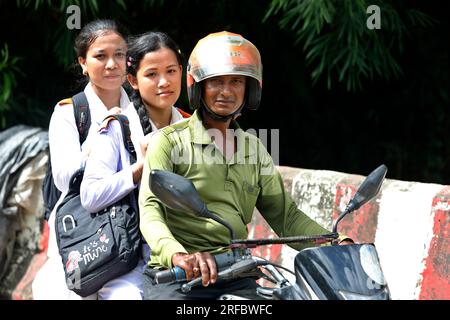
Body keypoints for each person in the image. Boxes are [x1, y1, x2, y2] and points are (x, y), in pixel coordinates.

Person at [138, 31, 352, 300]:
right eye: (215, 81)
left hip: (238, 275)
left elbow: (287, 217)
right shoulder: (169, 142)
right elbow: (151, 210)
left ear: (249, 89)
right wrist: (177, 254)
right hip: (181, 278)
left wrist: (337, 243)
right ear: (198, 86)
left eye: (236, 81)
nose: (226, 91)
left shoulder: (255, 149)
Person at [78, 31, 187, 299]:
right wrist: (140, 169)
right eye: (151, 74)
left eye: (171, 71)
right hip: (125, 265)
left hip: (182, 259)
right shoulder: (117, 127)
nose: (164, 82)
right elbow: (90, 196)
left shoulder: (192, 126)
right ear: (132, 80)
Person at [32, 19, 136, 300]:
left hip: (132, 233)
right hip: (82, 233)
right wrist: (101, 138)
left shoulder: (141, 108)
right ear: (83, 62)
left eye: (118, 55)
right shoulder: (69, 112)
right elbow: (65, 177)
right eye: (100, 56)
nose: (111, 64)